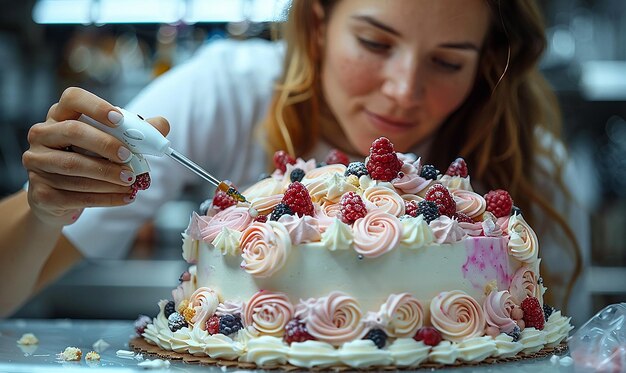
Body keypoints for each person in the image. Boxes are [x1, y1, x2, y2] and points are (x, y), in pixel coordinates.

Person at [0, 0, 586, 323]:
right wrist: (47, 209)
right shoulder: (224, 92)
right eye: (376, 43)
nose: (404, 88)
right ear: (318, 24)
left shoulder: (536, 171)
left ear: (487, 62)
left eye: (448, 62)